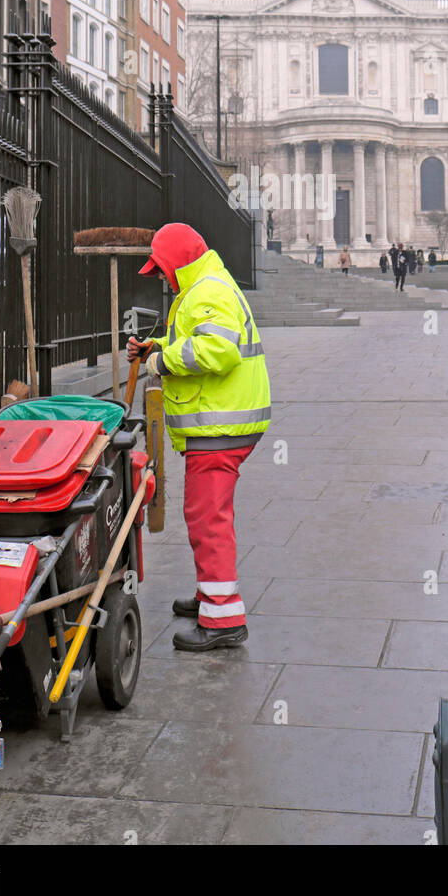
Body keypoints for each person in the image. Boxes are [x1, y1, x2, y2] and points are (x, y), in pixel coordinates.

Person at [126, 222, 270, 652]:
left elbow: (216, 351)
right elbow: (199, 337)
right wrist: (156, 347)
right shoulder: (204, 287)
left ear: (176, 263)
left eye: (161, 269)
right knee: (206, 516)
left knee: (209, 520)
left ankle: (223, 618)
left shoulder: (206, 290)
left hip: (220, 426)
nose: (161, 278)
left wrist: (161, 363)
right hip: (219, 425)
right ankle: (211, 597)